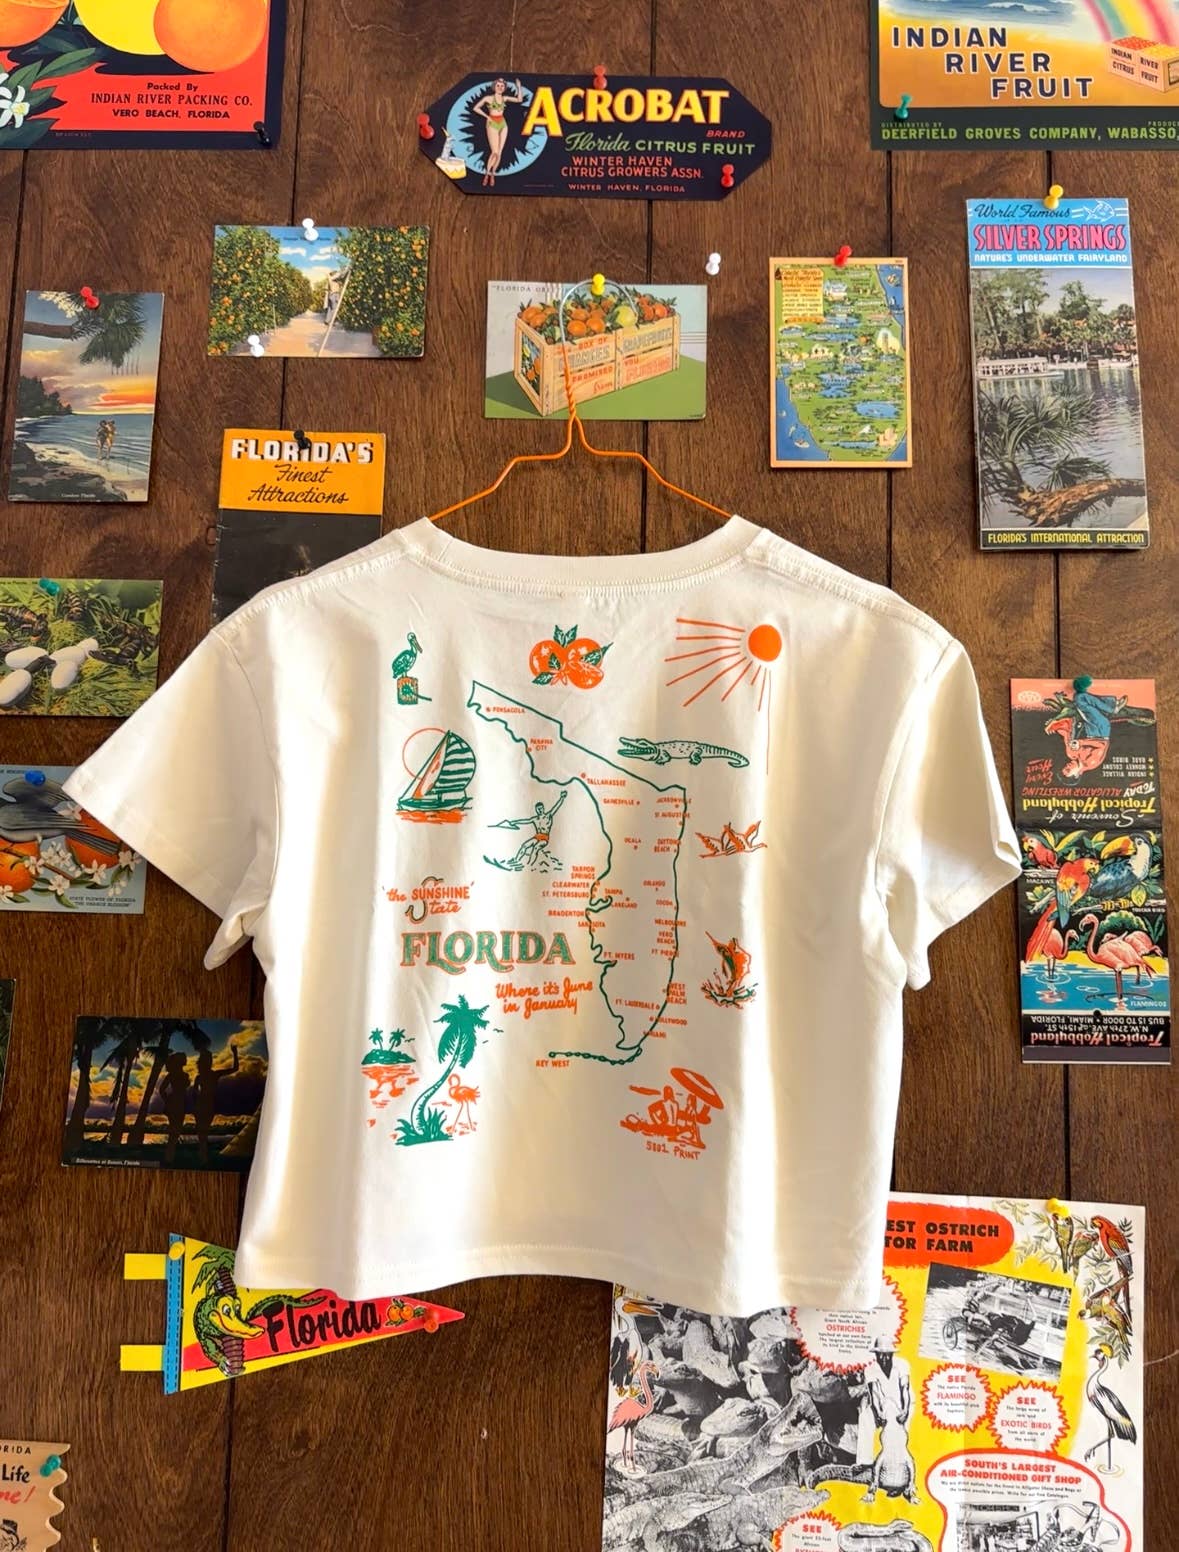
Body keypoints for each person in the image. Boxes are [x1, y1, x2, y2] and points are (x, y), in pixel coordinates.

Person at [190, 1032, 239, 1166]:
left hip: (207, 1105)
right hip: (203, 1105)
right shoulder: (203, 1077)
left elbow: (235, 1068)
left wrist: (235, 1053)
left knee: (203, 1133)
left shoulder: (212, 1075)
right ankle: (203, 1158)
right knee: (202, 1133)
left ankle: (203, 1158)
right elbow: (194, 1093)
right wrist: (195, 1105)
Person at [472, 76, 525, 186]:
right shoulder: (488, 98)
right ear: (494, 87)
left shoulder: (505, 98)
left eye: (502, 86)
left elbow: (519, 100)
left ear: (504, 88)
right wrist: (487, 116)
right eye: (498, 85)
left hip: (503, 124)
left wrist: (519, 87)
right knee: (494, 152)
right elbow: (476, 108)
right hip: (492, 123)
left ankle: (493, 174)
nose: (500, 87)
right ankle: (487, 174)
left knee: (500, 152)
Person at [159, 1051, 191, 1164]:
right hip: (175, 1103)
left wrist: (168, 1101)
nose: (185, 1060)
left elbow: (162, 1090)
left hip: (180, 1103)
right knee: (174, 1131)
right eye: (183, 1058)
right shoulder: (173, 1075)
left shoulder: (183, 1075)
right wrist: (167, 1101)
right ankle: (169, 1158)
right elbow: (161, 1090)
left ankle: (170, 1157)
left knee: (175, 1131)